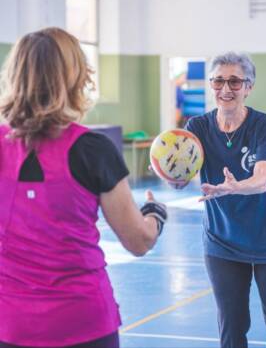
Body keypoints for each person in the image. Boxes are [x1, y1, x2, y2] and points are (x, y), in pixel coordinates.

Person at [0, 27, 167, 348]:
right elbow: (138, 240)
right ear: (75, 76)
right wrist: (155, 214)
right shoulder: (93, 148)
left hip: (11, 325)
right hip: (82, 323)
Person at [184, 52, 266, 348]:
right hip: (222, 240)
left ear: (248, 86)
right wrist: (170, 174)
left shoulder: (265, 126)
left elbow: (263, 180)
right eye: (219, 81)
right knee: (231, 326)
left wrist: (234, 187)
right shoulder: (196, 127)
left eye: (235, 81)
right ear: (211, 85)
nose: (226, 89)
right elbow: (181, 178)